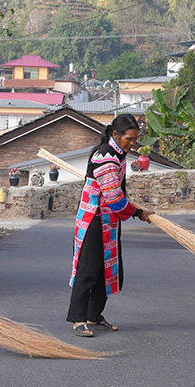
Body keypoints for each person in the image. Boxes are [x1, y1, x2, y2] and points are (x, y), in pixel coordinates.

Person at [67, 113, 154, 337]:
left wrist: (134, 210)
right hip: (93, 220)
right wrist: (139, 213)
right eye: (129, 139)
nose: (133, 143)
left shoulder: (118, 153)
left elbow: (117, 195)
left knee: (106, 271)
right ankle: (78, 320)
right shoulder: (105, 156)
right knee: (88, 271)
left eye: (135, 139)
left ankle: (93, 317)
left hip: (109, 221)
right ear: (115, 134)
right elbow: (114, 198)